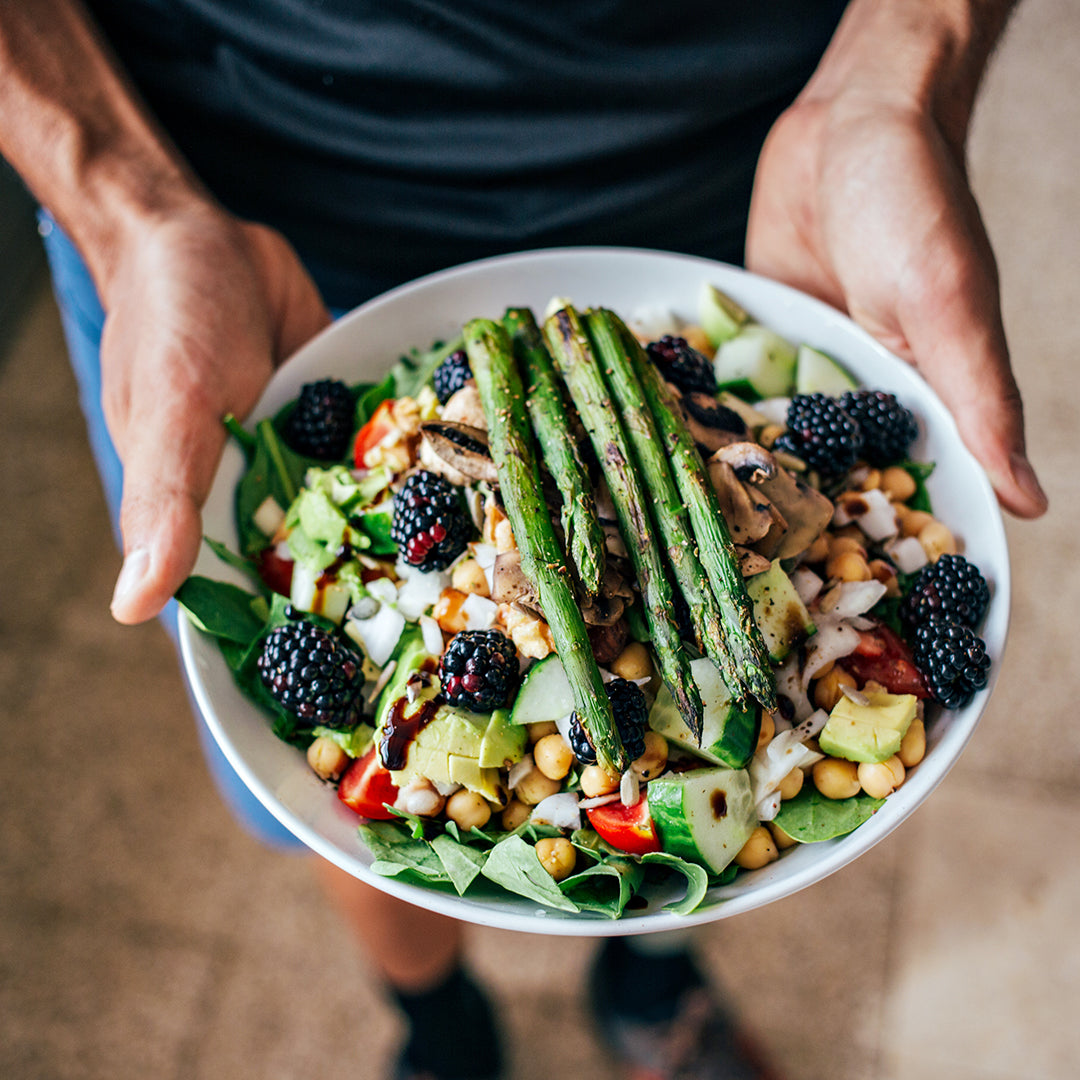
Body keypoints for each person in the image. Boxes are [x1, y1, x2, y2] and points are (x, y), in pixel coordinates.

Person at [0, 2, 1048, 1078]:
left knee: (717, 825)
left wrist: (900, 68)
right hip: (230, 197)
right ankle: (438, 1023)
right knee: (345, 834)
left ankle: (655, 986)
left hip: (741, 189)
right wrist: (120, 200)